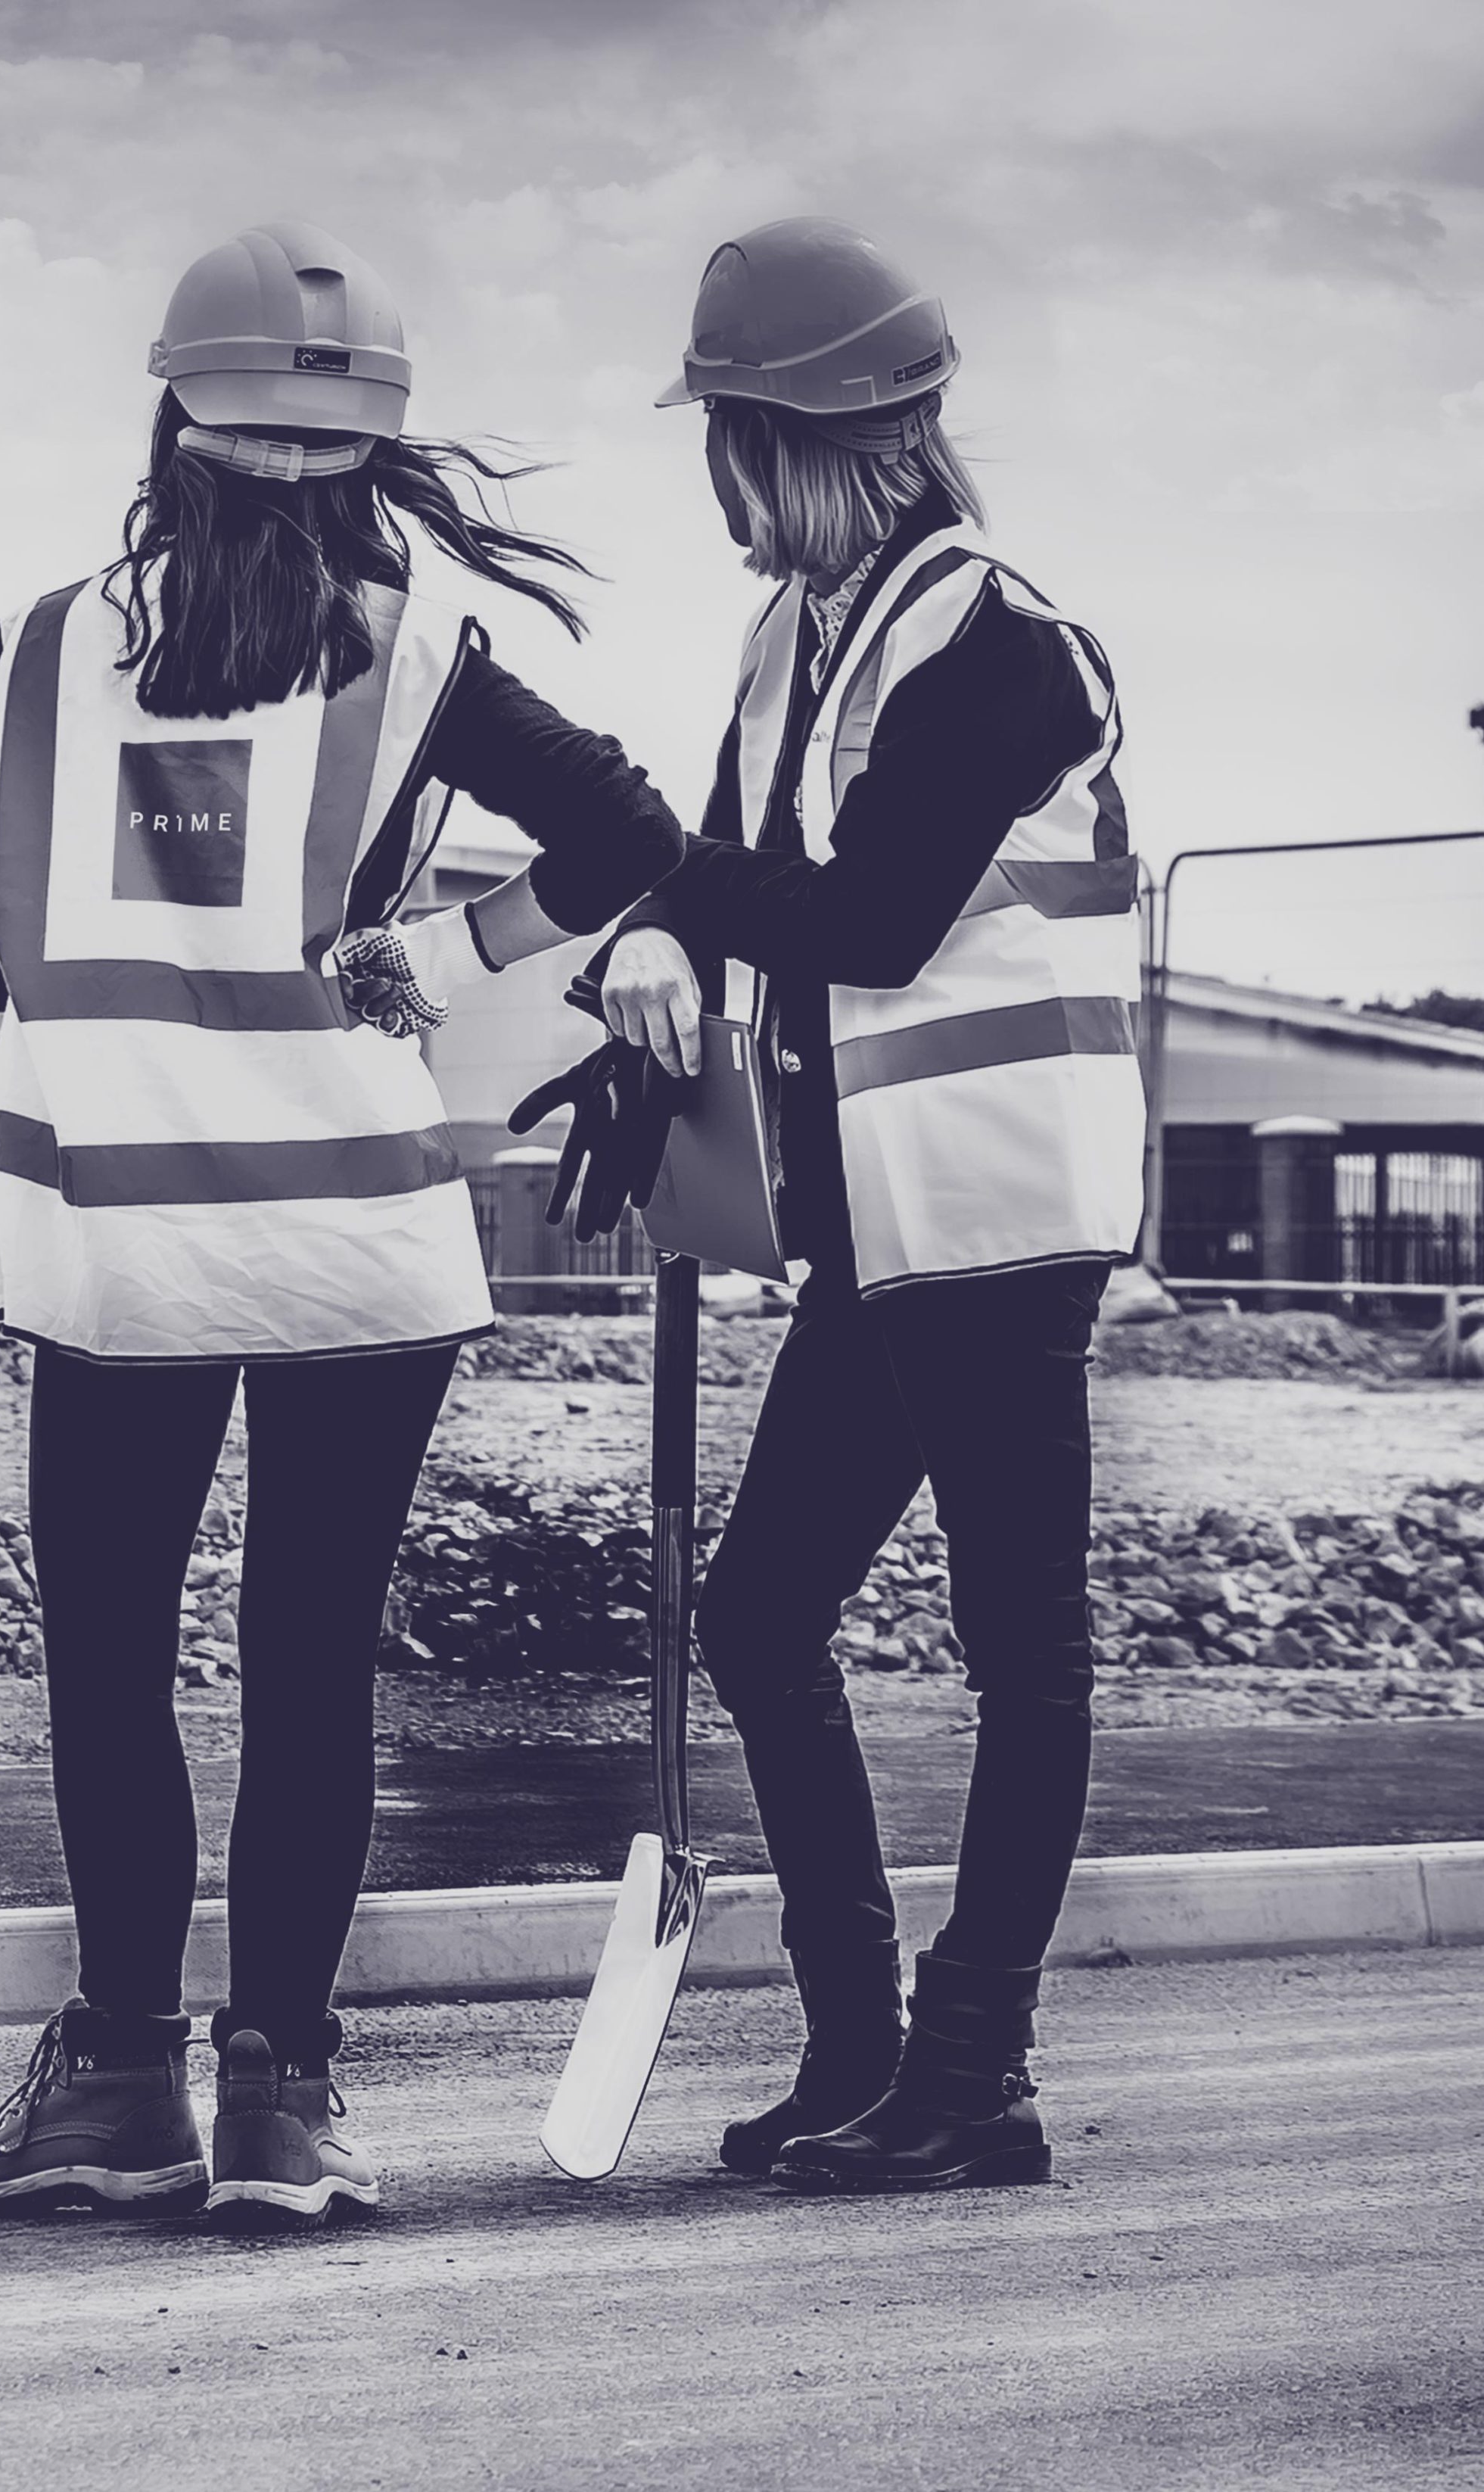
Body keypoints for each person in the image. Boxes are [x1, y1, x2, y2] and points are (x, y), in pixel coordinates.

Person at [0, 220, 683, 2229]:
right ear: (366, 443)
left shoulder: (54, 639)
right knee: (310, 1657)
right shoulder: (422, 649)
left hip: (115, 1232)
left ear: (177, 413)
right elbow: (632, 838)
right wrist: (439, 937)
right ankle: (286, 2101)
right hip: (353, 1230)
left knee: (109, 1659)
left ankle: (121, 2084)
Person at [599, 217, 1144, 2192]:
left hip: (997, 1222)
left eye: (723, 438)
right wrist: (642, 1024)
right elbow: (735, 881)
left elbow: (872, 916)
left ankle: (972, 2067)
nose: (712, 481)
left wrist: (650, 892)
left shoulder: (1002, 651)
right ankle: (861, 2048)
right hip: (877, 1234)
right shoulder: (790, 643)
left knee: (1019, 1646)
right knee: (759, 1613)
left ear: (792, 437)